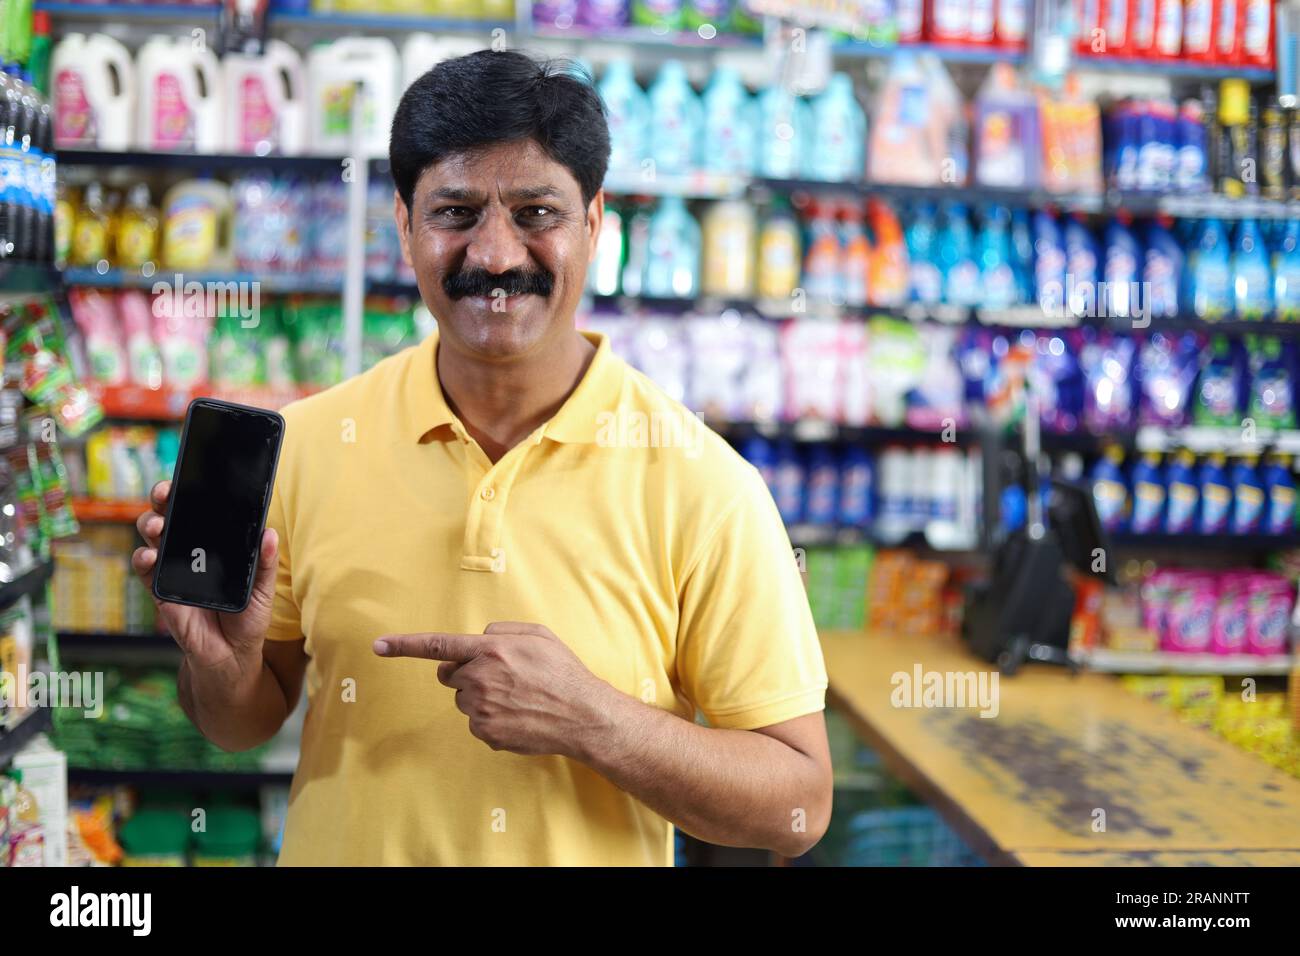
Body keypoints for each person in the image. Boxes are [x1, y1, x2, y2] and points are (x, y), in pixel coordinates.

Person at [131, 49, 831, 866]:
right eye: (455, 212)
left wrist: (591, 719)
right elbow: (240, 722)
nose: (496, 257)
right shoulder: (312, 444)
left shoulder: (704, 485)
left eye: (537, 213)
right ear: (404, 225)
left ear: (594, 223)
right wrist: (222, 664)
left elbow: (799, 805)